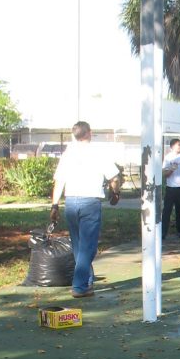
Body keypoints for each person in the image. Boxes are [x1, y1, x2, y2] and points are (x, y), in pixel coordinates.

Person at [50, 120, 121, 298]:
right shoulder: (98, 152)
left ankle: (87, 281)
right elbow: (114, 177)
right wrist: (116, 192)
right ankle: (79, 286)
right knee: (88, 247)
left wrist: (54, 204)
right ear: (89, 133)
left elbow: (59, 181)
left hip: (71, 202)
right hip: (90, 201)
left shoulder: (68, 154)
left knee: (78, 246)